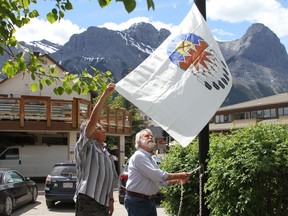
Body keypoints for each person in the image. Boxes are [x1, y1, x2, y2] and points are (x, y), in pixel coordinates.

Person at [74, 83, 118, 216]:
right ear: (91, 132)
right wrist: (104, 95)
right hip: (88, 199)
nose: (104, 130)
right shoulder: (85, 146)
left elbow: (109, 178)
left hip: (103, 202)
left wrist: (111, 199)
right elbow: (92, 121)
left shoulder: (106, 152)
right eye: (99, 128)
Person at [124, 128, 191, 216]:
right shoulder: (139, 156)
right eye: (146, 136)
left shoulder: (150, 158)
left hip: (147, 201)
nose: (150, 138)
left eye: (151, 136)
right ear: (139, 141)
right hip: (138, 202)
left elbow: (161, 181)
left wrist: (178, 181)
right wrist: (180, 175)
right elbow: (158, 175)